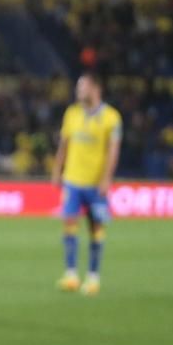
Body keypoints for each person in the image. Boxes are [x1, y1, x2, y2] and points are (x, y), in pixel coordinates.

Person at [52, 72, 121, 295]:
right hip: (72, 180)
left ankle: (93, 278)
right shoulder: (71, 114)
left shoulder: (111, 117)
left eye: (82, 87)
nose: (78, 91)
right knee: (69, 223)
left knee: (95, 227)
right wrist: (57, 170)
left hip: (94, 183)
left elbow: (113, 150)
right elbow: (64, 144)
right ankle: (71, 274)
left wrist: (106, 179)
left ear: (95, 89)